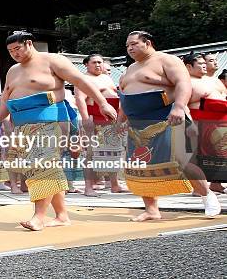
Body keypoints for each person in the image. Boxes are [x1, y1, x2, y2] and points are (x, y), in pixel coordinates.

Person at [0, 31, 117, 231]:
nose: (14, 53)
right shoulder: (13, 70)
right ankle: (62, 215)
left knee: (44, 163)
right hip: (23, 125)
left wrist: (102, 103)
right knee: (42, 167)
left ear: (29, 43)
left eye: (17, 48)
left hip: (51, 120)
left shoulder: (53, 61)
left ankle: (39, 216)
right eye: (10, 51)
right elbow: (6, 98)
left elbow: (80, 81)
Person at [118, 31, 220, 221]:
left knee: (182, 161)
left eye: (133, 44)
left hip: (166, 115)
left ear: (147, 43)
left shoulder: (167, 60)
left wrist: (180, 107)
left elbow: (183, 83)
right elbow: (123, 96)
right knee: (140, 165)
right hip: (137, 123)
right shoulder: (130, 69)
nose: (129, 48)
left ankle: (207, 195)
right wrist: (119, 120)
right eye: (127, 46)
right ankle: (151, 209)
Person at [74, 54, 128, 195]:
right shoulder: (83, 80)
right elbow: (80, 99)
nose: (98, 65)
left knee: (114, 152)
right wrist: (86, 120)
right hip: (95, 118)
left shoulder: (106, 77)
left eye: (100, 62)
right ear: (86, 64)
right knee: (91, 153)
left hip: (112, 118)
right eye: (94, 62)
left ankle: (115, 185)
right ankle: (88, 187)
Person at [185, 53, 227, 196]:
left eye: (205, 63)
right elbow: (181, 104)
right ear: (189, 66)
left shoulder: (213, 80)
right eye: (200, 63)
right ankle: (199, 188)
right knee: (196, 156)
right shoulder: (186, 83)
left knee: (219, 154)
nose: (204, 65)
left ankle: (216, 183)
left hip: (220, 122)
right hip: (199, 122)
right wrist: (189, 123)